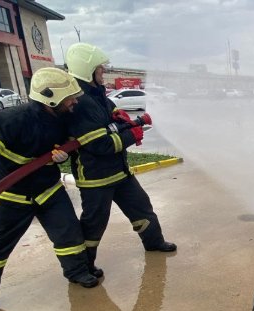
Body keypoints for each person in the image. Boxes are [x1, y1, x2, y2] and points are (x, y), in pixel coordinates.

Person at [0, 67, 99, 311]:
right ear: (51, 98)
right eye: (69, 97)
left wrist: (62, 154)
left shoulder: (64, 117)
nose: (74, 101)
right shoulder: (12, 119)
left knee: (69, 235)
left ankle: (78, 272)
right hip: (11, 194)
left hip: (48, 190)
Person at [63, 42, 175, 278]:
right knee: (94, 224)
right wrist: (131, 135)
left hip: (119, 171)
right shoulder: (80, 103)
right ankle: (84, 268)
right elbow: (100, 144)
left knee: (142, 206)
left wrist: (124, 120)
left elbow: (111, 124)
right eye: (100, 68)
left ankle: (154, 242)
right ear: (87, 70)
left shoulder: (98, 96)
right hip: (95, 178)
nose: (104, 71)